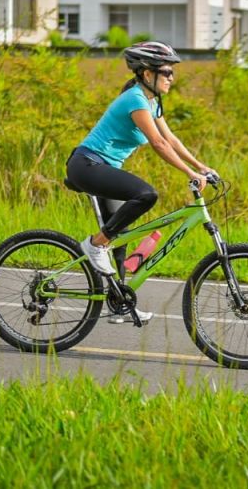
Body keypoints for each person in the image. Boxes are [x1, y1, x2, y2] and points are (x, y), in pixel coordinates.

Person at [65, 41, 216, 323]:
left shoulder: (151, 101)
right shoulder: (135, 98)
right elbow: (158, 144)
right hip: (87, 165)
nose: (172, 77)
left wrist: (201, 167)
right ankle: (94, 245)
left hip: (101, 167)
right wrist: (190, 174)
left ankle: (118, 303)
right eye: (166, 71)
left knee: (120, 235)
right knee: (146, 195)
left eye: (173, 72)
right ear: (147, 74)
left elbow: (171, 139)